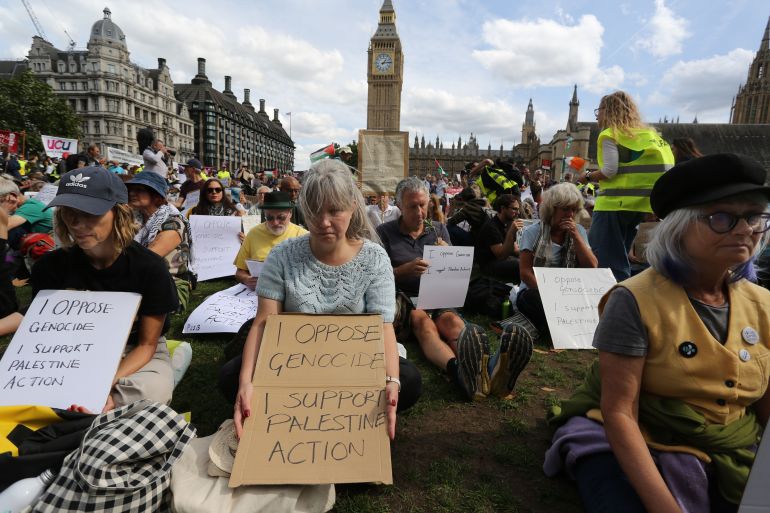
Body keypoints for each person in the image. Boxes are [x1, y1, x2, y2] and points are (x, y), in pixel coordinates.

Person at [545, 154, 770, 513]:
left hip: (733, 446)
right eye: (722, 217)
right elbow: (620, 412)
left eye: (754, 216)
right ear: (679, 227)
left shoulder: (764, 304)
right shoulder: (634, 300)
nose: (745, 230)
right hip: (639, 437)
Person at [221, 159, 421, 439]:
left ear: (353, 206)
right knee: (233, 377)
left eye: (334, 211)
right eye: (315, 211)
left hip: (354, 364)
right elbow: (264, 322)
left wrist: (391, 380)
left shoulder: (374, 259)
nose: (323, 222)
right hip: (292, 362)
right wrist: (246, 382)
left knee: (407, 381)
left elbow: (382, 326)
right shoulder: (282, 256)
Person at [30, 166, 179, 412]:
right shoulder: (49, 267)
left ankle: (107, 403)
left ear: (118, 213)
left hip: (133, 352)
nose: (76, 224)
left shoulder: (149, 268)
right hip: (67, 352)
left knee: (153, 390)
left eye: (89, 212)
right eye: (68, 212)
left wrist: (101, 384)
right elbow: (45, 337)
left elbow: (146, 345)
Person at [377, 176, 493, 401]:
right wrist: (404, 270)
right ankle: (458, 371)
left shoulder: (439, 229)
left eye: (423, 205)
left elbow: (451, 270)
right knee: (424, 323)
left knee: (453, 322)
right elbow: (377, 276)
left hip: (437, 293)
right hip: (406, 297)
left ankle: (479, 371)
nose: (420, 212)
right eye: (413, 206)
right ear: (400, 205)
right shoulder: (384, 232)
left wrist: (447, 254)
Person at [578, 90, 674, 281]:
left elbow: (610, 170)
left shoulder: (610, 134)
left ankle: (613, 301)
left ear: (609, 110)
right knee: (620, 256)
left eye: (599, 110)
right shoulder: (650, 136)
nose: (598, 115)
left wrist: (587, 176)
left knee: (605, 259)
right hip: (638, 206)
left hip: (613, 205)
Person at [517, 183, 596, 337]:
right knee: (533, 300)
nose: (570, 215)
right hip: (537, 289)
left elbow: (592, 266)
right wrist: (550, 294)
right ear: (552, 209)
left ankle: (559, 328)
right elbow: (525, 273)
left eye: (574, 209)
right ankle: (562, 330)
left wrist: (575, 236)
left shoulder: (579, 231)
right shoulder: (532, 232)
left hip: (569, 291)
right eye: (565, 209)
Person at [126, 171, 195, 311]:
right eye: (131, 189)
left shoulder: (174, 222)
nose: (132, 193)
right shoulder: (133, 219)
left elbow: (146, 259)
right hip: (137, 279)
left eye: (139, 190)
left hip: (169, 286)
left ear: (156, 196)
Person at [233, 191, 307, 290]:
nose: (275, 222)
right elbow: (240, 272)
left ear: (290, 213)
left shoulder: (303, 235)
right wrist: (247, 279)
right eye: (270, 218)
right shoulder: (253, 234)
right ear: (264, 214)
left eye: (281, 217)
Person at [475, 194, 524, 284]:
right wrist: (511, 233)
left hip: (502, 260)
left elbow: (515, 249)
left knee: (526, 262)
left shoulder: (507, 223)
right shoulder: (491, 227)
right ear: (503, 208)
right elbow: (501, 256)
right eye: (514, 209)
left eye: (518, 209)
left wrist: (530, 255)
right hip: (488, 265)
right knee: (519, 265)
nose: (518, 213)